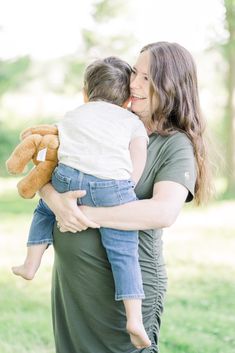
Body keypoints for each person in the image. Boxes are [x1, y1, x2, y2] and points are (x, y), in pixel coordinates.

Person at [39, 42, 211, 353]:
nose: (133, 83)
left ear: (171, 85)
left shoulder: (174, 146)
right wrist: (53, 200)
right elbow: (52, 169)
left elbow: (163, 212)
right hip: (73, 286)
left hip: (125, 293)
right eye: (135, 73)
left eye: (147, 78)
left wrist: (81, 214)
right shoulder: (104, 124)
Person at [12, 56, 151, 349]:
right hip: (112, 186)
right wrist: (126, 188)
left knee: (44, 210)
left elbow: (58, 154)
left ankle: (31, 262)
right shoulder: (132, 121)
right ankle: (134, 319)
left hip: (67, 179)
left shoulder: (72, 115)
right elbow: (137, 160)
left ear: (86, 93)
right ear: (127, 98)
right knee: (125, 254)